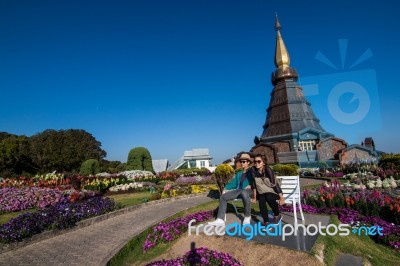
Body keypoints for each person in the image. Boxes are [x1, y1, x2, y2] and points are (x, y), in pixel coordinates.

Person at [208, 153, 254, 226]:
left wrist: (251, 185)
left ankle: (247, 216)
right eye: (241, 161)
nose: (242, 163)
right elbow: (233, 183)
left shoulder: (252, 171)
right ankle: (220, 219)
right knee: (223, 197)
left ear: (248, 162)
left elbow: (257, 179)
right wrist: (225, 189)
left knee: (244, 192)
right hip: (239, 191)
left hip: (249, 191)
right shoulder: (239, 173)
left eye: (244, 161)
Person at [250, 154, 285, 230]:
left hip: (273, 193)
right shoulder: (253, 170)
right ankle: (266, 222)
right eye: (255, 161)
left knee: (268, 196)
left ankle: (277, 214)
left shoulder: (267, 170)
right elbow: (254, 185)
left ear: (264, 162)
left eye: (259, 161)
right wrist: (255, 197)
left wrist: (281, 198)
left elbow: (275, 185)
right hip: (262, 193)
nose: (256, 163)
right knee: (262, 198)